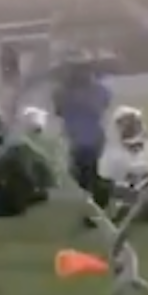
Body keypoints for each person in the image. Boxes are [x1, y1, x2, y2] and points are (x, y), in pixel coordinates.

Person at [54, 54, 113, 225]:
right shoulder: (64, 91)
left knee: (88, 177)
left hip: (89, 139)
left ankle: (93, 211)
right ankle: (93, 209)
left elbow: (96, 108)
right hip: (78, 139)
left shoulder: (94, 90)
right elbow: (60, 110)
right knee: (83, 177)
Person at [99, 106, 148, 224]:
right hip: (136, 206)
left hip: (145, 205)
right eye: (126, 124)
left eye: (132, 123)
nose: (130, 127)